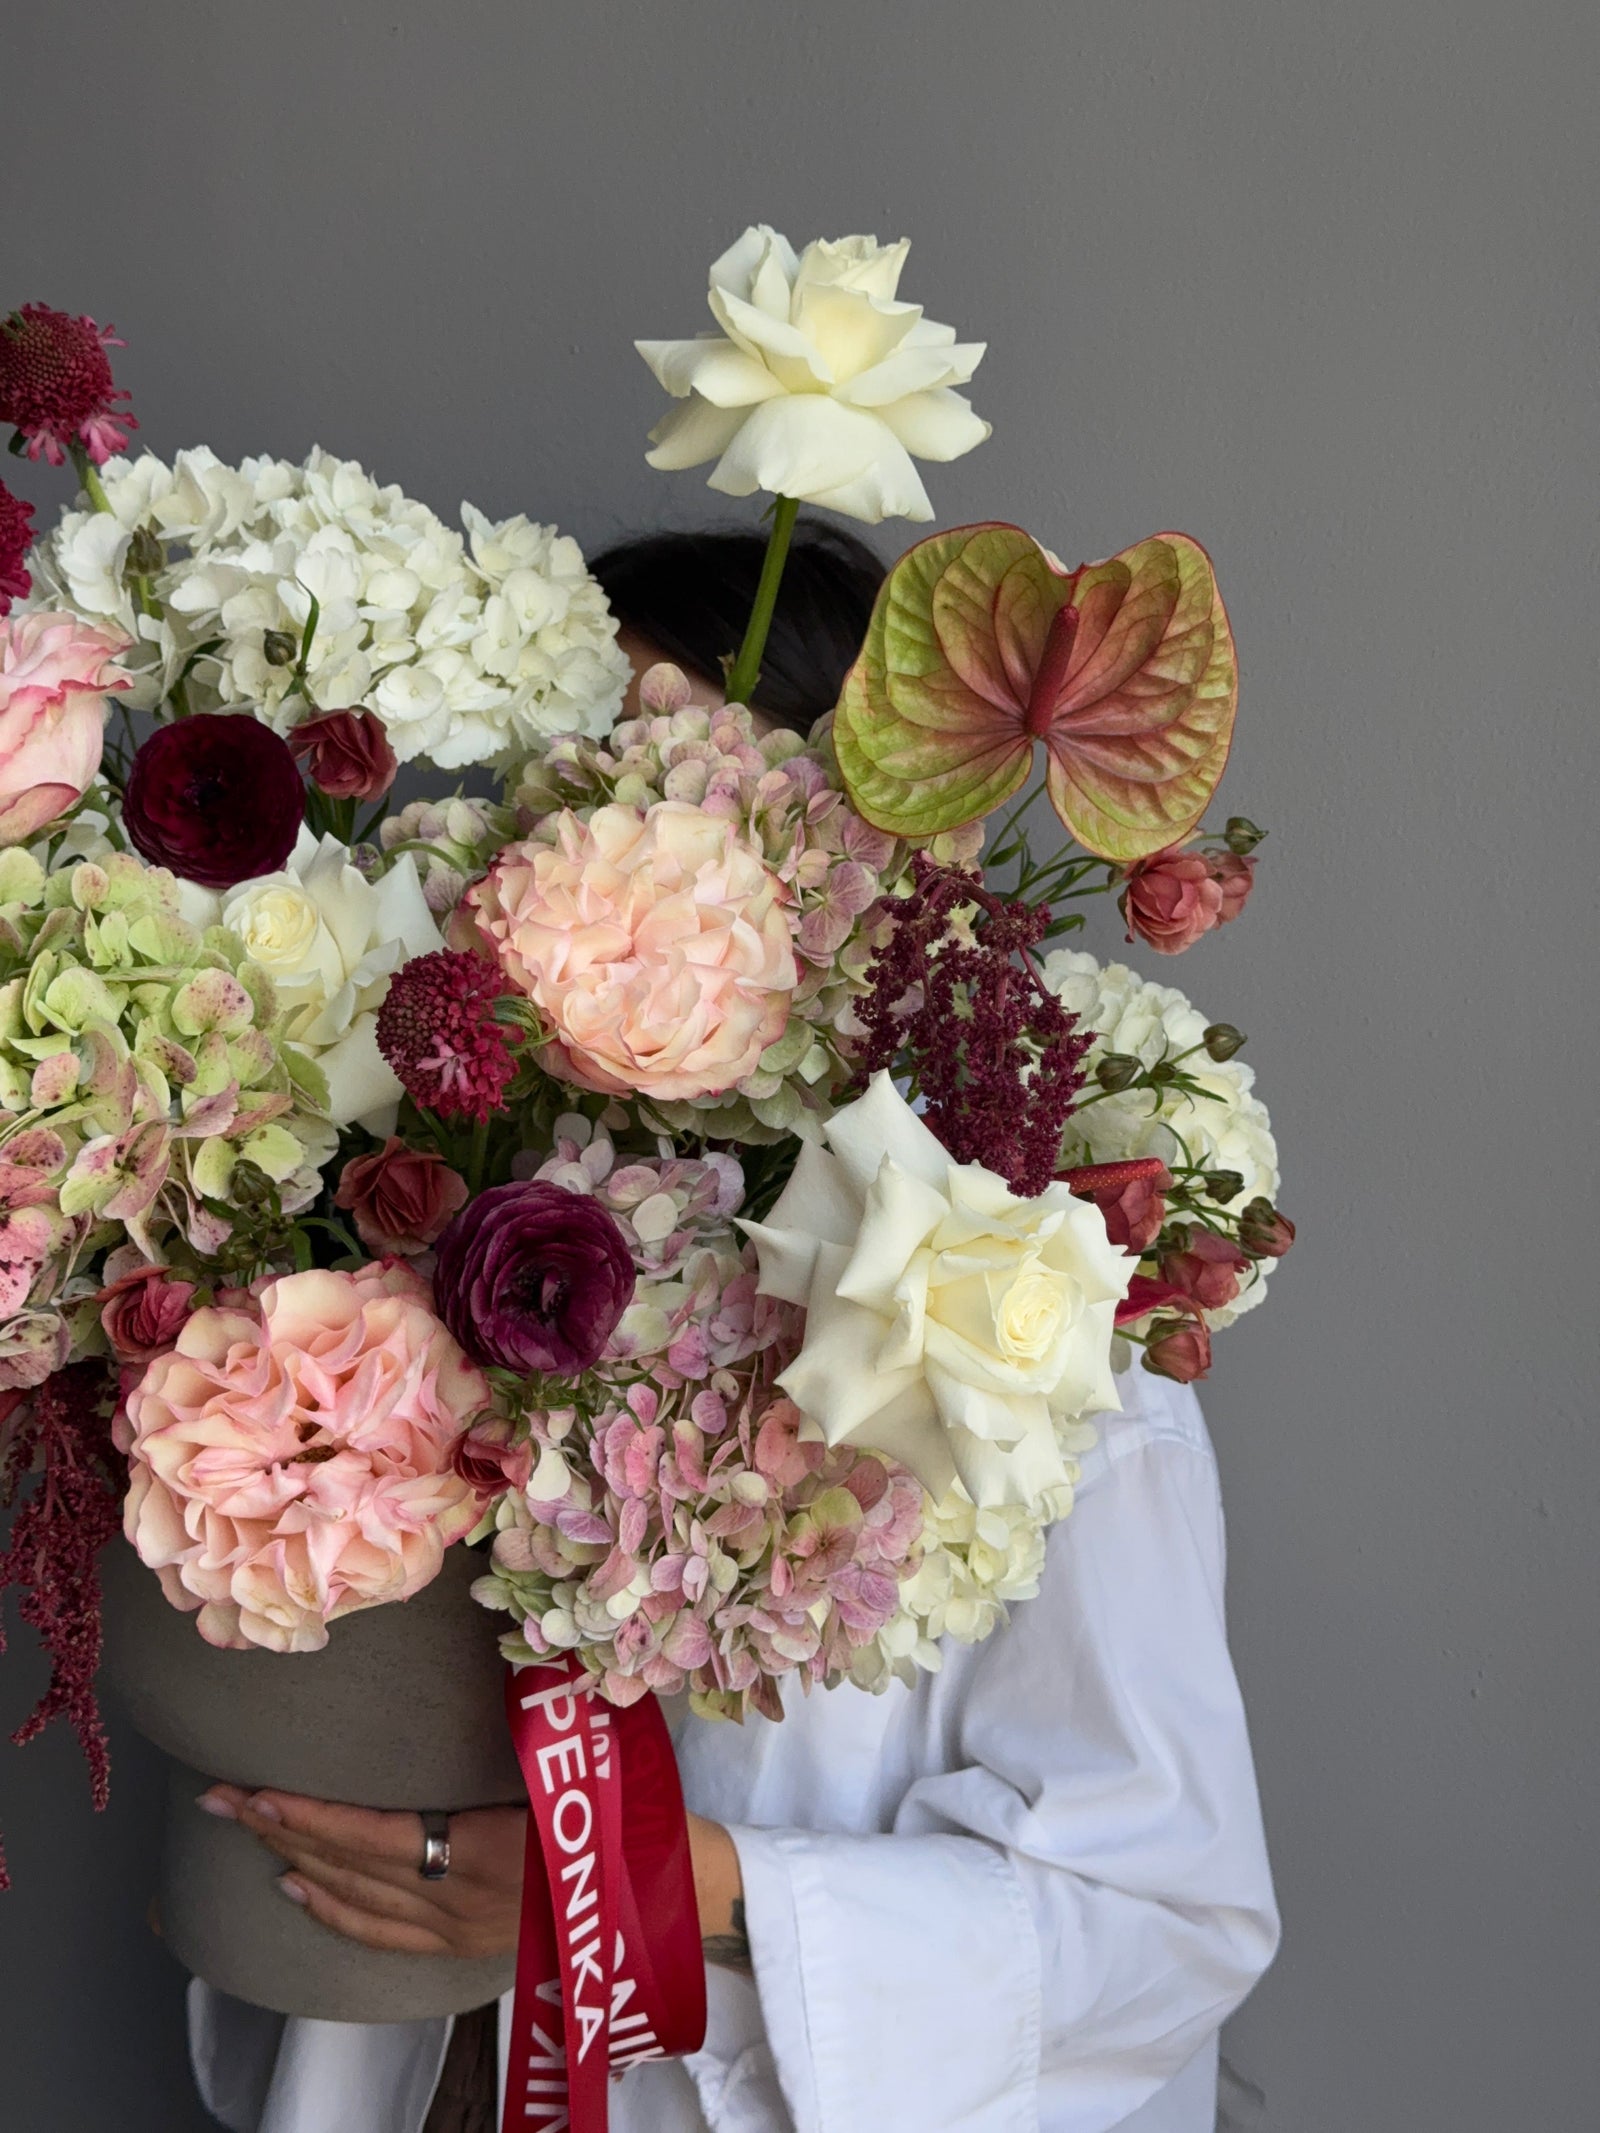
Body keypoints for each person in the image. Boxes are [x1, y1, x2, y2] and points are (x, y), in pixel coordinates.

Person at [184, 526, 1279, 2133]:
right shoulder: (409, 1246)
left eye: (693, 810)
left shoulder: (1029, 1341)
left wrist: (639, 1886)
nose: (626, 889)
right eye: (581, 807)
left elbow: (1162, 1919)